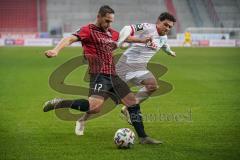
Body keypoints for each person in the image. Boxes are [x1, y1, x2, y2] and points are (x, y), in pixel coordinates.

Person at [43, 5, 161, 144]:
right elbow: (69, 39)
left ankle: (143, 137)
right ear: (98, 17)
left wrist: (142, 40)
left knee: (132, 103)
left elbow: (125, 38)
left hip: (113, 75)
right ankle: (60, 103)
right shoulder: (88, 30)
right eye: (107, 21)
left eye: (111, 21)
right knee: (94, 108)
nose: (109, 24)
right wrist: (56, 50)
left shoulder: (111, 32)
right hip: (99, 75)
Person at [116, 12, 177, 124]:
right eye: (166, 25)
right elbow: (127, 28)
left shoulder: (164, 37)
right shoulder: (147, 27)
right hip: (124, 65)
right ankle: (83, 118)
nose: (167, 28)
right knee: (107, 99)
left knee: (152, 85)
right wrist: (121, 42)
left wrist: (170, 52)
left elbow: (164, 45)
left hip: (140, 68)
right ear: (159, 21)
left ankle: (128, 108)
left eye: (170, 27)